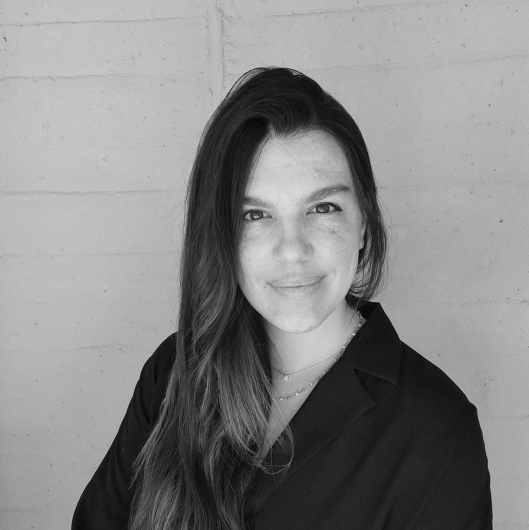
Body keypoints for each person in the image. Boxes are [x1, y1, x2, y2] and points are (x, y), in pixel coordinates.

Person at [72, 67, 492, 529]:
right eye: (255, 215)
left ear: (363, 223)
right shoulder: (176, 370)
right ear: (221, 235)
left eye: (323, 208)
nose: (292, 250)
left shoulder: (435, 427)